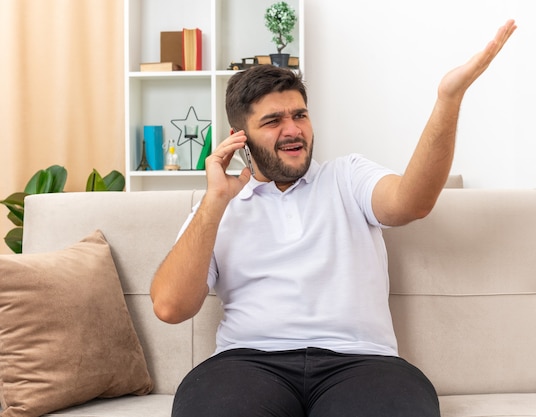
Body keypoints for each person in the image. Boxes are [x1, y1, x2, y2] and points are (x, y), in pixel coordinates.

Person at [151, 20, 517, 417]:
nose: (293, 130)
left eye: (300, 115)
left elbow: (413, 202)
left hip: (362, 363)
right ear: (239, 137)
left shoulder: (348, 176)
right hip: (247, 364)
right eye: (273, 121)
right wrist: (215, 200)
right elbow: (170, 307)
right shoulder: (216, 208)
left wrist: (449, 98)